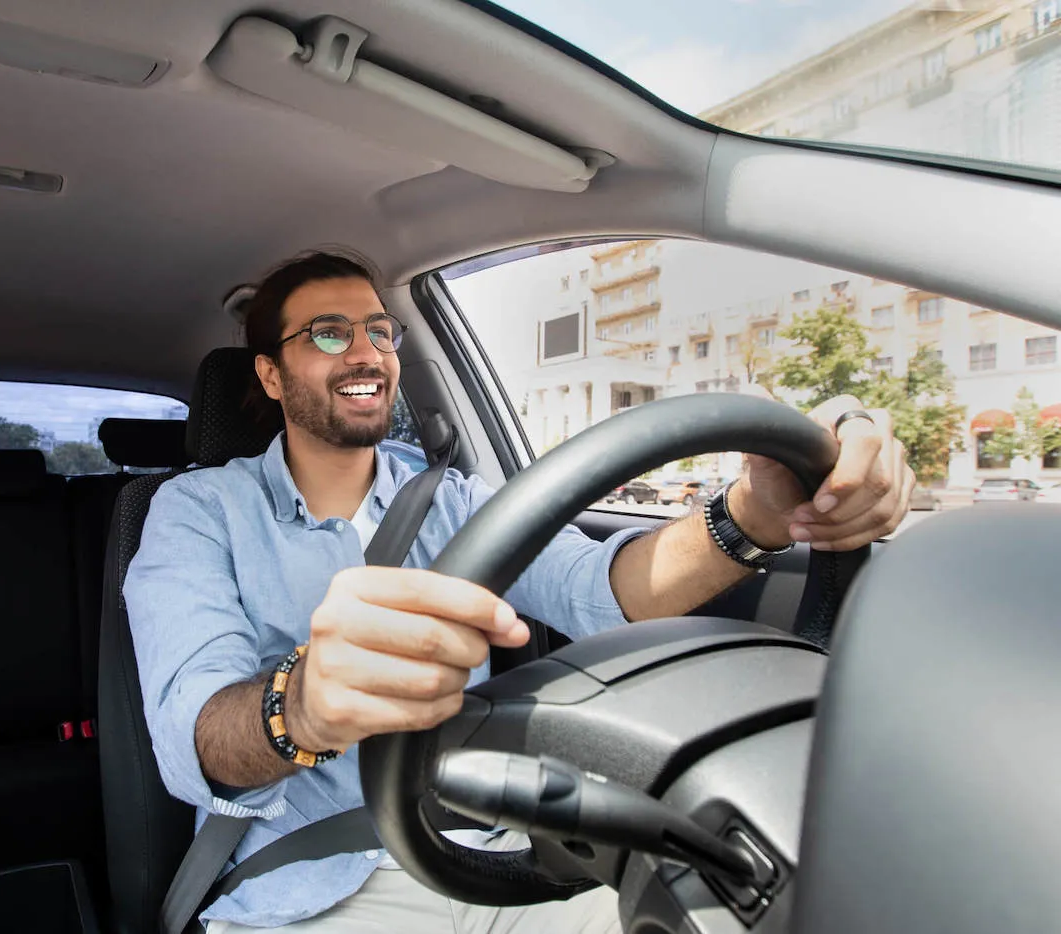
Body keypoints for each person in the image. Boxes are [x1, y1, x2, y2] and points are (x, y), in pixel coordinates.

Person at [125, 251, 913, 933]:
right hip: (304, 891)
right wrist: (301, 705)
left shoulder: (453, 500)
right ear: (270, 371)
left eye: (377, 330)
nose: (364, 352)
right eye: (328, 333)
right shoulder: (198, 512)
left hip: (485, 858)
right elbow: (193, 732)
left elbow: (604, 591)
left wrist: (755, 515)